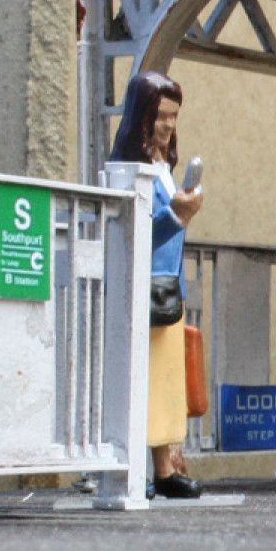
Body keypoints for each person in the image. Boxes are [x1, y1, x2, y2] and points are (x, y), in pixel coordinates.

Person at [111, 71, 205, 498]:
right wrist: (177, 216)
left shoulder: (163, 167)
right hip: (141, 286)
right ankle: (138, 470)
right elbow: (135, 233)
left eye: (174, 116)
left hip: (167, 286)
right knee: (141, 379)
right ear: (142, 116)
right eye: (161, 115)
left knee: (167, 380)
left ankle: (164, 469)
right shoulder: (130, 170)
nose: (168, 125)